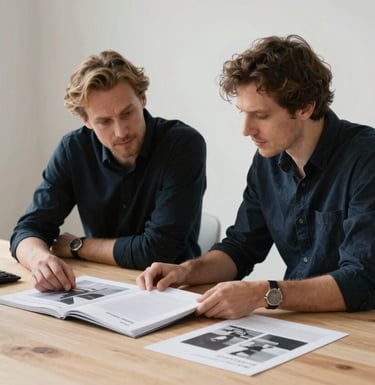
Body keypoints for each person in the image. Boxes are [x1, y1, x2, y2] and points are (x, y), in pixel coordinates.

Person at [137, 35, 375, 318]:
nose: (246, 129)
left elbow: (362, 280)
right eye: (243, 113)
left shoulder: (366, 159)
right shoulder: (267, 161)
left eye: (260, 115)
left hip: (360, 328)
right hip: (303, 323)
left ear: (305, 107)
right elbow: (242, 247)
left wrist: (263, 293)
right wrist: (185, 270)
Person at [10, 50, 206, 292]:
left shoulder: (182, 145)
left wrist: (78, 247)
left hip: (171, 290)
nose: (121, 131)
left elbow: (158, 251)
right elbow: (28, 229)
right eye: (104, 121)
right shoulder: (74, 149)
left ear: (142, 99)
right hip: (103, 284)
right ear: (86, 120)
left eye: (127, 113)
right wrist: (40, 259)